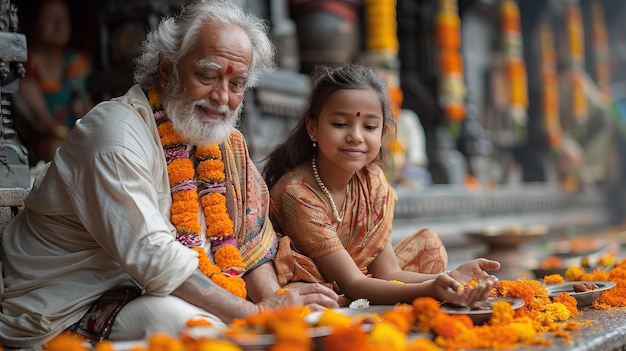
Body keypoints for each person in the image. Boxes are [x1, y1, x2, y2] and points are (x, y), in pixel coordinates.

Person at [0, 0, 338, 348]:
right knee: (183, 323)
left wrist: (275, 309)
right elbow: (157, 261)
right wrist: (257, 315)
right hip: (62, 312)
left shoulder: (222, 142)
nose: (222, 97)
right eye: (207, 76)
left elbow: (249, 240)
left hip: (144, 292)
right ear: (166, 71)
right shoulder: (115, 135)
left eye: (237, 84)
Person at [263, 64, 500, 307]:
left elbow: (389, 274)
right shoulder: (296, 193)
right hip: (318, 288)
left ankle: (383, 298)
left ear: (383, 133)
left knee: (429, 246)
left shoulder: (372, 181)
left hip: (360, 282)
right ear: (313, 128)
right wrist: (431, 290)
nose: (356, 136)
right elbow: (353, 283)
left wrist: (453, 279)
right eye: (340, 124)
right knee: (320, 299)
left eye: (369, 127)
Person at [13, 0, 93, 165]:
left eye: (64, 18)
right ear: (35, 23)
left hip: (76, 135)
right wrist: (61, 132)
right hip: (42, 139)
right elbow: (39, 117)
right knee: (57, 150)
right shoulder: (25, 61)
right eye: (51, 18)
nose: (59, 25)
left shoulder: (76, 61)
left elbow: (86, 105)